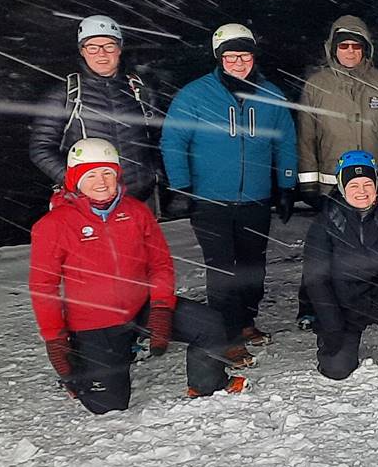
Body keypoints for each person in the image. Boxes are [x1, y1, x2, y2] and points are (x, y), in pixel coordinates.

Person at [28, 137, 238, 411]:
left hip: (141, 307)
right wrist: (55, 337)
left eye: (107, 172)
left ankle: (207, 385)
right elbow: (44, 286)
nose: (101, 181)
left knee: (209, 325)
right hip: (95, 322)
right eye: (90, 174)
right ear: (74, 179)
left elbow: (160, 264)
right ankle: (79, 375)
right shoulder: (54, 225)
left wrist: (162, 308)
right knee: (109, 406)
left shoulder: (136, 212)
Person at [160, 23, 299, 350]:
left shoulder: (271, 96)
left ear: (254, 57)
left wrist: (287, 185)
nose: (239, 63)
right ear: (219, 58)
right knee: (222, 270)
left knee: (252, 267)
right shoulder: (195, 95)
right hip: (210, 200)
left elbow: (287, 143)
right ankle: (227, 335)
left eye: (245, 55)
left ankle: (246, 321)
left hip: (256, 198)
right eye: (231, 56)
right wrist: (181, 187)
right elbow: (173, 141)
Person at [294, 14, 378, 330]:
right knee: (325, 244)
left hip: (377, 180)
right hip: (333, 181)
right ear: (333, 48)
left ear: (366, 49)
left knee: (376, 240)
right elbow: (306, 134)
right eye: (343, 45)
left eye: (356, 46)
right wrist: (308, 180)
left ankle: (374, 299)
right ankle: (311, 304)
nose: (350, 51)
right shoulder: (317, 85)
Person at [300, 151, 378, 378]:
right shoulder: (325, 219)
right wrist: (331, 321)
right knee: (337, 369)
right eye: (354, 185)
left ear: (376, 184)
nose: (362, 191)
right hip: (342, 300)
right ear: (342, 186)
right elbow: (315, 278)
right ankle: (336, 343)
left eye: (368, 184)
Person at [28, 14, 161, 208]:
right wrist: (78, 183)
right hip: (86, 202)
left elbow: (160, 138)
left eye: (109, 46)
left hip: (139, 198)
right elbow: (41, 148)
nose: (101, 54)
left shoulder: (140, 89)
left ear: (119, 49)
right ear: (82, 51)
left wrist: (155, 174)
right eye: (92, 47)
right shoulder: (65, 94)